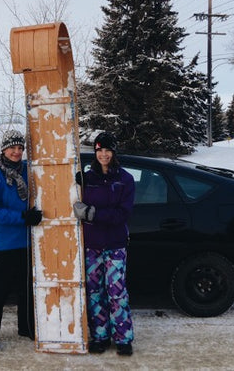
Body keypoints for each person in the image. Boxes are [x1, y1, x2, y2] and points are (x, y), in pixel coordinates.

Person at [0, 129, 42, 358]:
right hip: (5, 245)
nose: (16, 152)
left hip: (28, 243)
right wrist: (23, 218)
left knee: (27, 290)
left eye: (20, 148)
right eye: (12, 148)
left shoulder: (28, 172)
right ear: (4, 150)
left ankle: (26, 327)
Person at [74, 131, 136, 356]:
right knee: (95, 292)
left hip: (115, 245)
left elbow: (123, 213)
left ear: (114, 152)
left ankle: (123, 338)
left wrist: (92, 213)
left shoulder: (125, 179)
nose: (103, 154)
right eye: (99, 150)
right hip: (92, 245)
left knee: (116, 293)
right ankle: (100, 336)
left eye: (108, 150)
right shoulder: (87, 178)